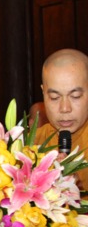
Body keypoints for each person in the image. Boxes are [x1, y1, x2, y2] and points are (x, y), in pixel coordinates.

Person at [35, 49, 88, 188]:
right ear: (43, 93)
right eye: (54, 97)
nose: (65, 108)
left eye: (75, 96)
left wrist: (76, 191)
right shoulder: (30, 145)